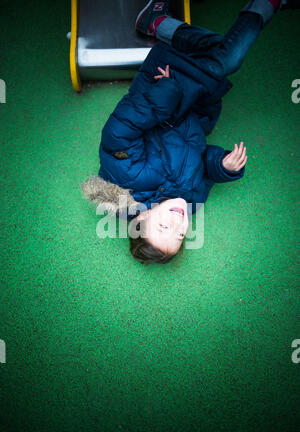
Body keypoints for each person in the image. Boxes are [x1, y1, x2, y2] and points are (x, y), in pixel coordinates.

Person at [82, 0, 297, 264]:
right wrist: (223, 167)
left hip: (164, 83)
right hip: (198, 104)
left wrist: (167, 91)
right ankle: (158, 23)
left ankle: (268, 4)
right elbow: (205, 166)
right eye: (181, 234)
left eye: (164, 227)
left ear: (142, 218)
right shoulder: (192, 200)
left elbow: (120, 130)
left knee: (228, 59)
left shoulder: (128, 180)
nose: (178, 223)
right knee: (220, 47)